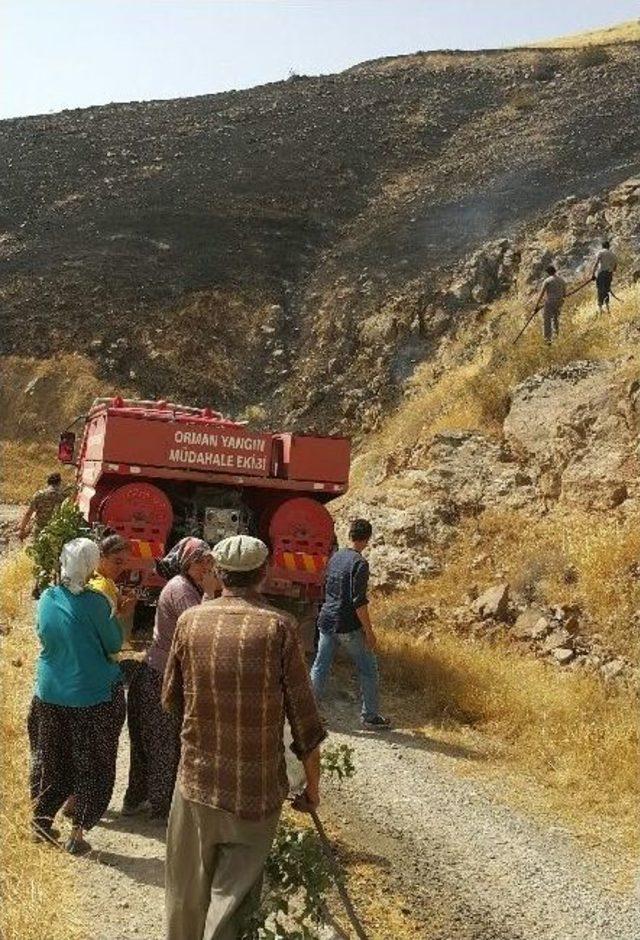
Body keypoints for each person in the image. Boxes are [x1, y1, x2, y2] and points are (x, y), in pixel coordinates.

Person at [163, 534, 326, 940]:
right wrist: (313, 789)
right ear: (264, 574)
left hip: (197, 785)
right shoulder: (280, 628)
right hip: (255, 794)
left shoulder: (190, 621)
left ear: (218, 572)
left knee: (185, 895)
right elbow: (305, 724)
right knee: (232, 905)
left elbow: (171, 698)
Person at [28, 538, 125, 855]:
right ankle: (77, 835)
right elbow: (113, 645)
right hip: (91, 695)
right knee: (92, 761)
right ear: (90, 565)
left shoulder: (46, 597)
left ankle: (41, 821)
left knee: (50, 755)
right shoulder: (97, 602)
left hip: (49, 692)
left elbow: (43, 635)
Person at [122, 537, 216, 821]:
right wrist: (212, 594)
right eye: (202, 562)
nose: (206, 568)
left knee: (151, 744)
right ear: (188, 563)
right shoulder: (182, 590)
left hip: (158, 674)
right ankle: (161, 810)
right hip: (161, 678)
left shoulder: (187, 586)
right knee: (163, 746)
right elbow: (199, 628)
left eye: (208, 562)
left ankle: (137, 801)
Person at [310, 519, 390, 730]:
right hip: (347, 625)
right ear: (367, 539)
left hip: (326, 620)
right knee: (368, 669)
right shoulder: (360, 563)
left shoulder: (336, 557)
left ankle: (307, 714)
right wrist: (369, 632)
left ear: (350, 534)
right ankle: (370, 717)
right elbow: (359, 603)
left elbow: (324, 584)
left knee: (320, 667)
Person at [18, 472, 68, 541]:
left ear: (47, 482)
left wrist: (22, 529)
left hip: (39, 532)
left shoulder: (39, 495)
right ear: (59, 483)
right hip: (56, 532)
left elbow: (28, 513)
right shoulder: (64, 496)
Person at [535, 264, 566, 343]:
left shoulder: (547, 280)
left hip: (550, 302)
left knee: (547, 320)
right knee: (556, 319)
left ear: (548, 272)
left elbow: (541, 294)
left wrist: (536, 305)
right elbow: (564, 294)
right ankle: (557, 337)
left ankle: (547, 340)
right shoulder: (562, 280)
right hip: (559, 302)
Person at [591, 238, 618, 314]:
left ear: (602, 246)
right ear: (609, 246)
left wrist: (593, 274)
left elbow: (596, 264)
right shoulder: (613, 255)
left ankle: (600, 309)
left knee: (600, 290)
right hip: (609, 274)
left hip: (601, 273)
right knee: (606, 290)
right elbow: (615, 268)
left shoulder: (601, 252)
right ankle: (608, 308)